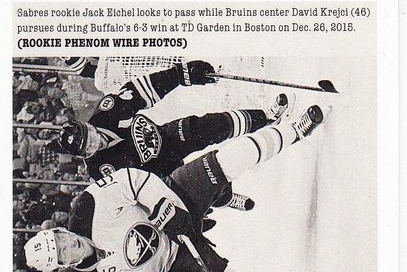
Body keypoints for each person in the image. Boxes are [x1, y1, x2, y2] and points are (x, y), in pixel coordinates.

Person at [25, 104, 330, 272]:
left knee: (225, 160)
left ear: (60, 230)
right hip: (176, 258)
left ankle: (294, 129)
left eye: (60, 238)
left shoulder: (86, 208)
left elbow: (131, 180)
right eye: (62, 252)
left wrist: (164, 208)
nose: (69, 244)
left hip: (173, 200)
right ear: (63, 265)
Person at [53, 59, 290, 212]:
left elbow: (144, 89)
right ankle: (225, 199)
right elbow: (135, 194)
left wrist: (181, 75)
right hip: (161, 174)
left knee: (209, 126)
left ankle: (266, 118)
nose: (96, 142)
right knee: (204, 178)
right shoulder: (100, 170)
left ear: (89, 126)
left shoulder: (107, 112)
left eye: (91, 135)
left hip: (165, 138)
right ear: (84, 155)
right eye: (89, 148)